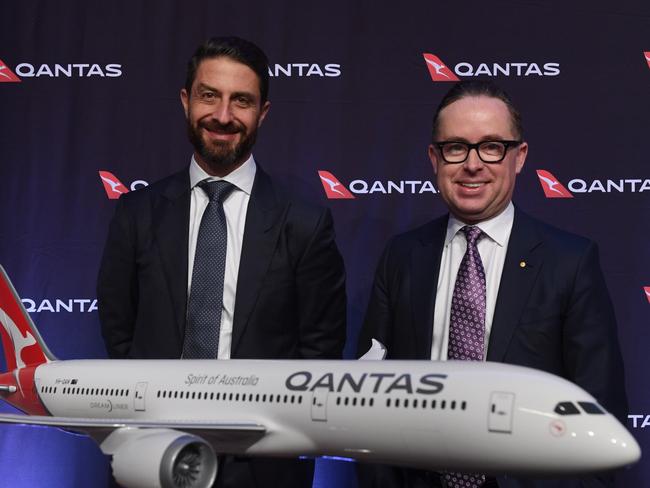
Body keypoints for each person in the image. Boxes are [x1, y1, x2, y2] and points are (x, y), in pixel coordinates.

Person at [97, 36, 346, 488]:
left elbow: (320, 352)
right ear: (186, 101)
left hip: (264, 466)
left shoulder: (306, 224)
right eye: (209, 95)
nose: (224, 116)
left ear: (262, 113)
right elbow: (120, 332)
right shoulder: (137, 214)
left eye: (242, 101)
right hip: (153, 455)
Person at [357, 80, 627, 488]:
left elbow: (600, 413)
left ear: (519, 157)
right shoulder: (402, 257)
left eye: (491, 147)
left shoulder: (569, 262)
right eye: (455, 147)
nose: (472, 164)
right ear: (434, 158)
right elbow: (368, 396)